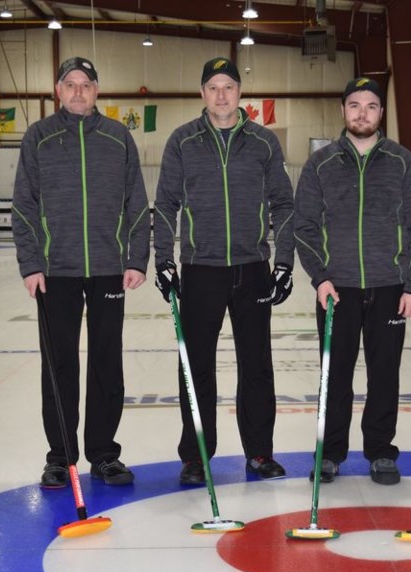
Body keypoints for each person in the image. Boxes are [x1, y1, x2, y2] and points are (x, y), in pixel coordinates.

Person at [153, 56, 295, 485]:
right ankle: (197, 456)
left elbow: (284, 205)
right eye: (213, 87)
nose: (221, 94)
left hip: (253, 268)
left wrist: (284, 261)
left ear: (239, 93)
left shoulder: (264, 142)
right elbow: (164, 205)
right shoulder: (182, 141)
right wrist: (163, 259)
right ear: (202, 94)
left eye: (228, 87)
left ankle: (259, 453)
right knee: (196, 367)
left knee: (257, 365)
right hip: (201, 269)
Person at [12, 56, 151, 488]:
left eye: (86, 84)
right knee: (59, 366)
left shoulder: (117, 137)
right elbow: (23, 206)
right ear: (58, 90)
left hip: (110, 269)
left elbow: (137, 203)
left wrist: (135, 258)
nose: (77, 91)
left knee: (107, 363)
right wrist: (32, 264)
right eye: (69, 84)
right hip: (57, 272)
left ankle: (104, 454)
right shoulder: (38, 138)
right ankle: (61, 456)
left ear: (96, 90)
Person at [293, 77, 411, 485]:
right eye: (354, 105)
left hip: (390, 287)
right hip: (338, 289)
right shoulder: (322, 165)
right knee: (334, 376)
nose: (362, 113)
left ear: (380, 114)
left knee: (385, 374)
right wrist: (320, 278)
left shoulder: (403, 161)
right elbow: (304, 226)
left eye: (371, 106)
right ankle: (331, 452)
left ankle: (381, 452)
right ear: (343, 111)